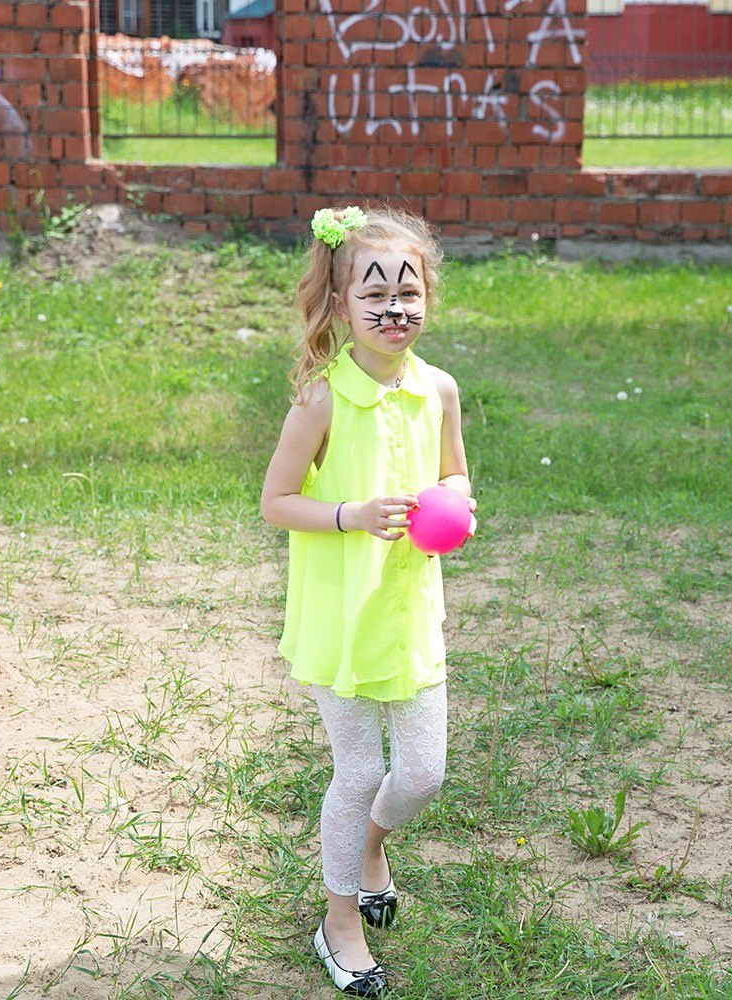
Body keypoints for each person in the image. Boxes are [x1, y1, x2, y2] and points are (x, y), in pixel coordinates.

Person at [261, 205, 474, 996]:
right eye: (374, 293)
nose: (394, 309)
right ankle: (339, 918)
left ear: (428, 298)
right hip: (340, 616)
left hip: (409, 612)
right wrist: (351, 514)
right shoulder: (321, 399)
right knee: (357, 772)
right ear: (341, 304)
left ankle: (371, 846)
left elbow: (454, 471)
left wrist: (457, 503)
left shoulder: (439, 390)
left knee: (420, 774)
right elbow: (276, 501)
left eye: (408, 292)